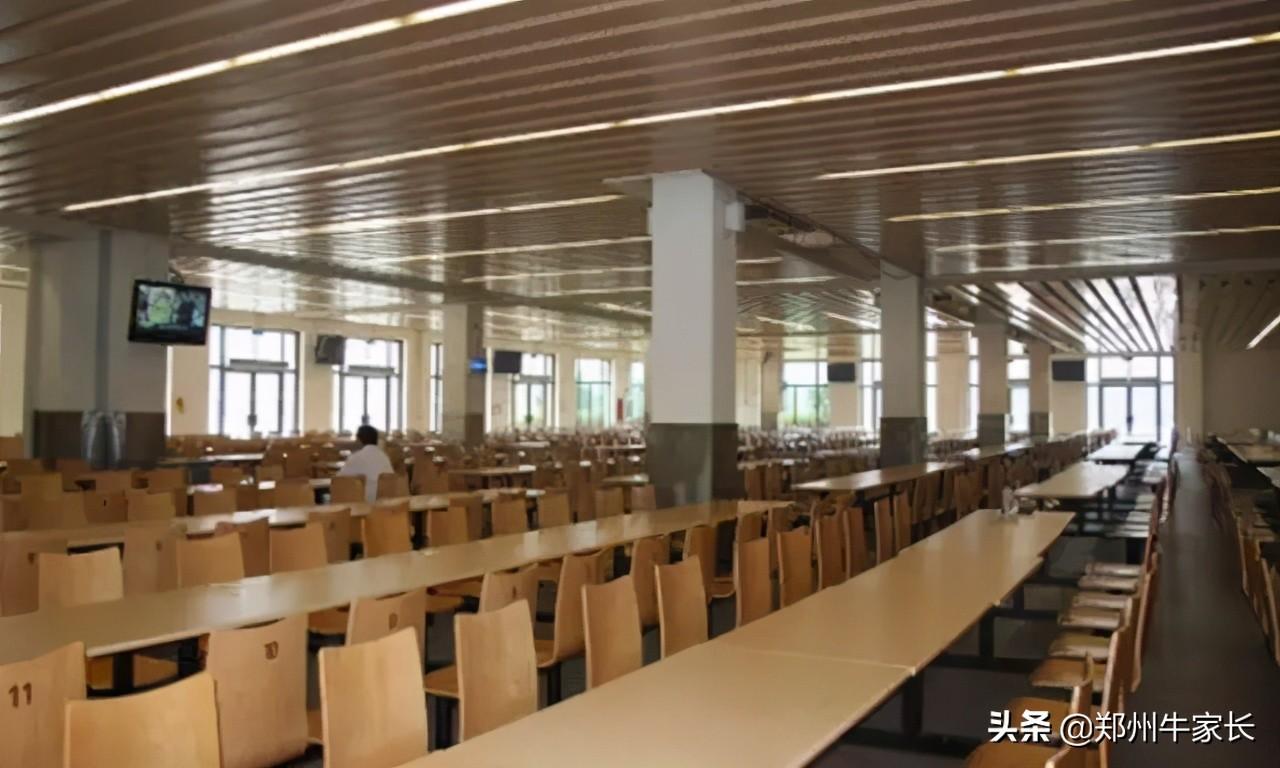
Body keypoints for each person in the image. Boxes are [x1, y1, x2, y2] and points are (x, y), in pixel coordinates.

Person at [337, 425, 394, 503]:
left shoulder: (356, 457)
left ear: (359, 439)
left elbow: (339, 479)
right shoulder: (384, 456)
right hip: (388, 501)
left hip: (365, 501)